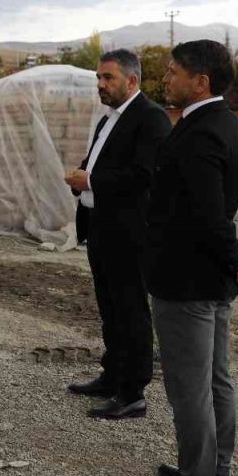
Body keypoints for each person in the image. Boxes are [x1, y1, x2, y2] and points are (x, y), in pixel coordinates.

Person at [137, 40, 238, 476]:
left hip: (187, 281)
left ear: (200, 81)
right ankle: (215, 471)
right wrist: (234, 260)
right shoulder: (227, 125)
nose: (166, 79)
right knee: (215, 379)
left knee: (191, 387)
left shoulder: (202, 133)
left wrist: (234, 261)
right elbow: (215, 214)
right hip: (208, 275)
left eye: (173, 72)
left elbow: (208, 218)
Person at [64, 50, 172, 420]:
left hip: (129, 233)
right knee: (109, 308)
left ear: (132, 81)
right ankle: (112, 376)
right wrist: (83, 175)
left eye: (108, 78)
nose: (100, 85)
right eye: (99, 77)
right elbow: (97, 161)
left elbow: (145, 177)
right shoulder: (108, 118)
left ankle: (133, 392)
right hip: (101, 227)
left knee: (131, 311)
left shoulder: (151, 119)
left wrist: (90, 180)